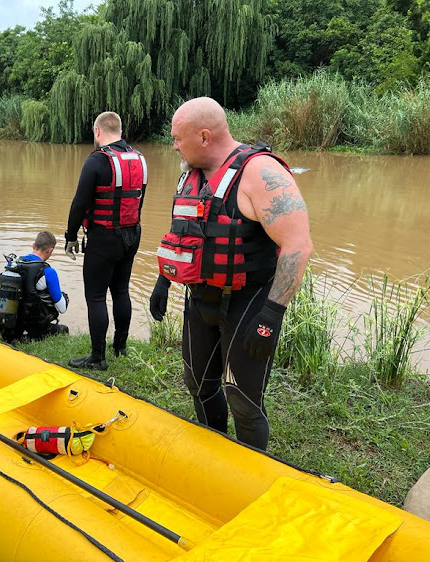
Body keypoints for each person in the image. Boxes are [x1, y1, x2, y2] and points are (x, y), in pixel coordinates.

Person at [150, 97, 313, 450]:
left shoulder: (261, 173)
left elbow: (297, 246)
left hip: (249, 303)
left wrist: (271, 314)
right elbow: (184, 230)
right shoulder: (189, 175)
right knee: (199, 384)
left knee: (242, 398)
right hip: (200, 299)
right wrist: (164, 280)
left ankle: (252, 469)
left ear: (204, 136)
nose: (174, 144)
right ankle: (216, 455)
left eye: (178, 138)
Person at [64, 111, 148, 370]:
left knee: (96, 296)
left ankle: (98, 357)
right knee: (121, 290)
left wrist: (70, 236)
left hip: (103, 237)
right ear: (119, 130)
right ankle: (120, 347)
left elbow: (79, 204)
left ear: (98, 131)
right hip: (132, 235)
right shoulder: (140, 159)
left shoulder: (97, 161)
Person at [0, 231, 69, 341]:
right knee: (63, 329)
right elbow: (62, 308)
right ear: (50, 251)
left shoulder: (13, 265)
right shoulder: (48, 272)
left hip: (10, 326)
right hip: (33, 328)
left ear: (33, 245)